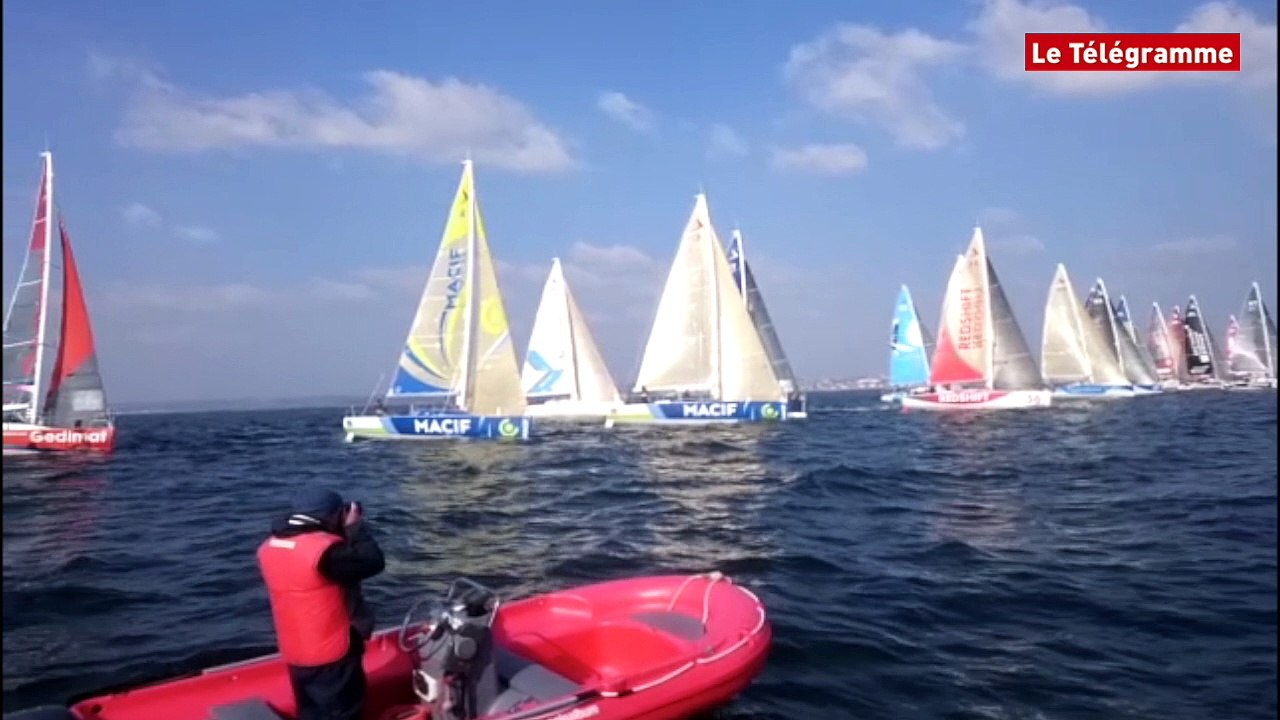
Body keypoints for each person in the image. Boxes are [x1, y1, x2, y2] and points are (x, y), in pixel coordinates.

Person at [257, 487, 386, 720]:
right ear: (332, 515)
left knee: (311, 712)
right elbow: (373, 561)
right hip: (334, 650)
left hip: (297, 649)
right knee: (343, 712)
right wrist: (355, 528)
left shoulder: (270, 546)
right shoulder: (326, 553)